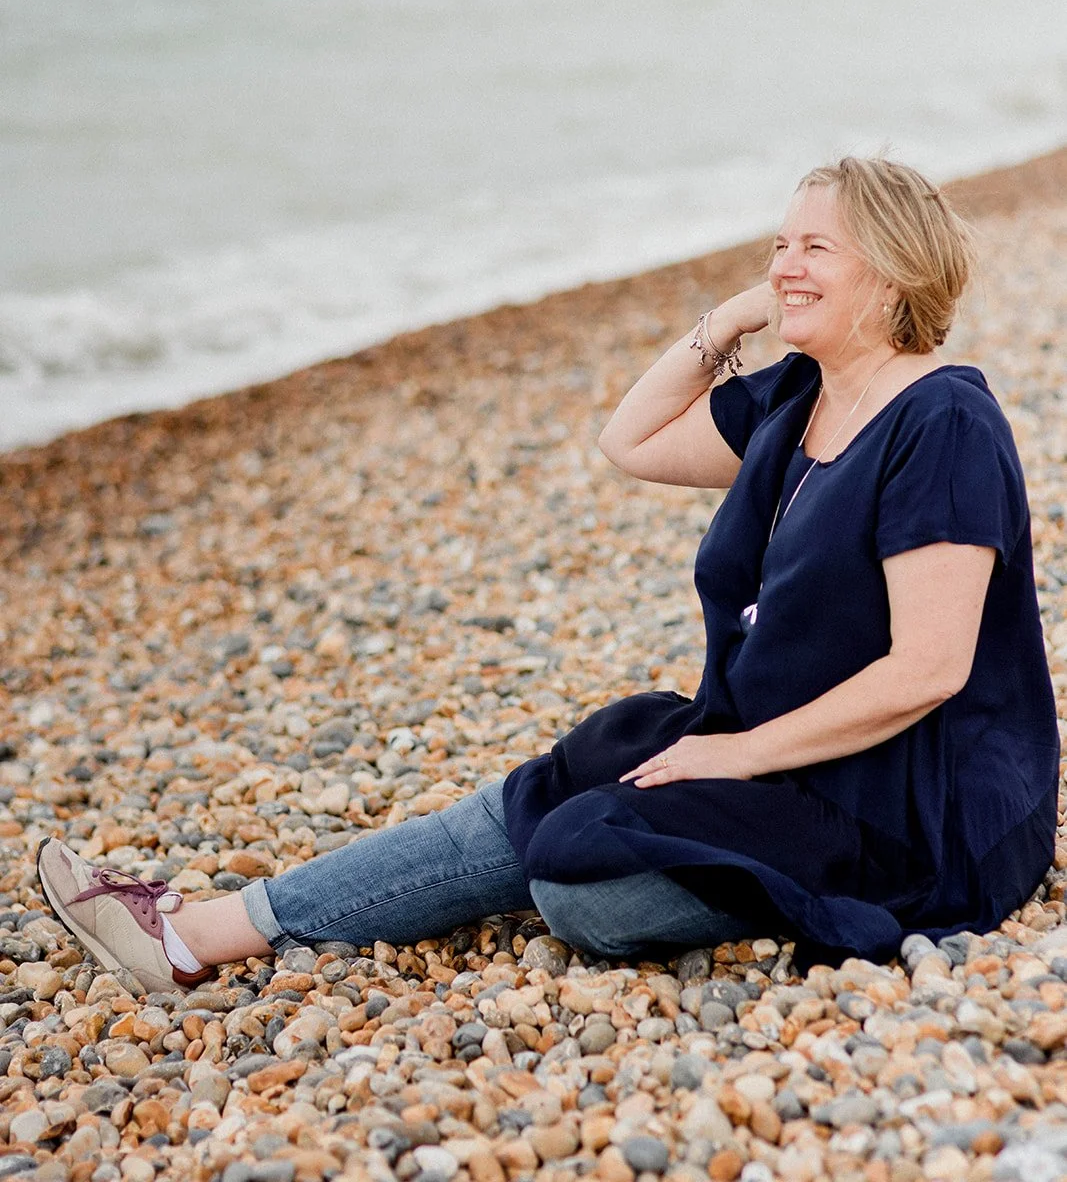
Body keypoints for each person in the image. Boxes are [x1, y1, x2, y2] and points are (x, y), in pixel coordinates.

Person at [38, 156, 1058, 994]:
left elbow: (925, 668)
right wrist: (733, 315)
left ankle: (204, 931)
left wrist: (732, 761)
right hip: (786, 748)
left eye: (813, 247)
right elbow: (632, 437)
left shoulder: (940, 423)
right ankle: (197, 935)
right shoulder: (802, 398)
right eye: (777, 244)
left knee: (580, 888)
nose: (784, 263)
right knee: (573, 778)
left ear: (888, 267)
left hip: (912, 808)